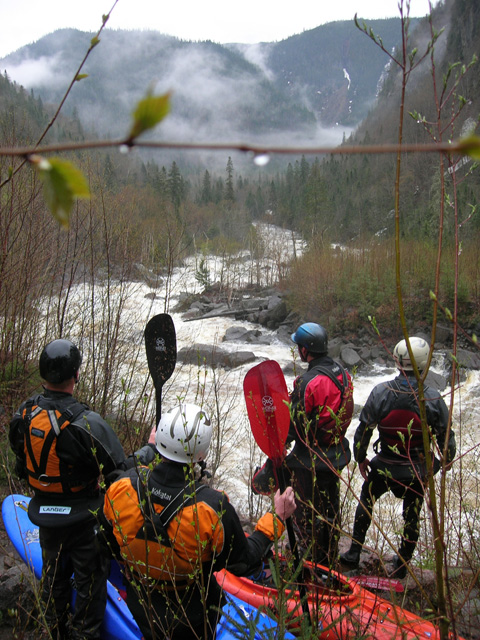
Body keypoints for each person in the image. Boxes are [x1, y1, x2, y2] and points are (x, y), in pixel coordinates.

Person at [101, 403, 296, 640]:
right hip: (193, 617)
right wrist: (277, 518)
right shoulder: (211, 508)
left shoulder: (122, 488)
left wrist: (150, 447)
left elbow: (109, 541)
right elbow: (243, 562)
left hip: (141, 605)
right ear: (201, 453)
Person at [9, 339, 126, 639]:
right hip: (83, 518)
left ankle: (55, 630)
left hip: (45, 514)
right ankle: (85, 634)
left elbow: (20, 462)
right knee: (90, 584)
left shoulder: (24, 414)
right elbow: (121, 473)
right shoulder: (88, 424)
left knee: (53, 577)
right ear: (75, 375)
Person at [340, 336, 456, 578]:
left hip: (385, 466)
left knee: (366, 500)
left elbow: (363, 431)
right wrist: (442, 463)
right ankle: (402, 564)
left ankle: (353, 553)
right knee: (411, 513)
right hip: (417, 470)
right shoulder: (433, 398)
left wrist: (360, 457)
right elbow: (447, 442)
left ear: (397, 362)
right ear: (424, 366)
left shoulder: (381, 392)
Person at [252, 322, 354, 566]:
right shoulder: (344, 374)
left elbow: (293, 425)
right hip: (336, 455)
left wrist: (276, 449)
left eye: (300, 346)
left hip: (310, 460)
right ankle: (327, 557)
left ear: (306, 351)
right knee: (330, 508)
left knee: (305, 514)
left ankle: (308, 563)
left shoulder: (307, 383)